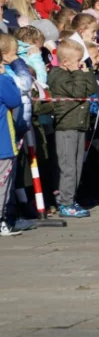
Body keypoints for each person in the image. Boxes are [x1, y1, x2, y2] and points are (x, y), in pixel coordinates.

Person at [48, 39, 98, 218]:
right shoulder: (58, 76)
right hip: (66, 126)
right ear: (66, 62)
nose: (81, 63)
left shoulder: (75, 72)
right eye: (78, 61)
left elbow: (91, 89)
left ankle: (71, 198)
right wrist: (79, 73)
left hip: (79, 124)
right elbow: (77, 92)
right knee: (68, 166)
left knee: (77, 166)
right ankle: (65, 202)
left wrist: (87, 71)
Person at [0, 51, 25, 235]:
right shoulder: (2, 81)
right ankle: (2, 221)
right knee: (3, 183)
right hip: (3, 142)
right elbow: (15, 99)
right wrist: (5, 75)